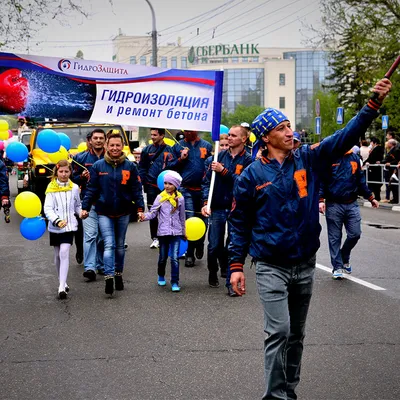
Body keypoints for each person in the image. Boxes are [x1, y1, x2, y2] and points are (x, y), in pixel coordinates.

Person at [228, 78, 391, 400]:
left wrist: (372, 104)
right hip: (270, 266)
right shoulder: (250, 175)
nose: (291, 132)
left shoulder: (309, 158)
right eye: (282, 128)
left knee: (297, 334)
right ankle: (275, 396)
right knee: (279, 331)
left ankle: (289, 391)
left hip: (304, 264)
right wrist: (235, 265)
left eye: (290, 126)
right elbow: (240, 222)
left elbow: (345, 136)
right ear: (266, 137)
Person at [81, 132, 144, 296]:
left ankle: (118, 274)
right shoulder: (98, 166)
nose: (115, 148)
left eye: (118, 145)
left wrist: (140, 208)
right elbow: (91, 189)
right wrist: (85, 207)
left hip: (123, 212)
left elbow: (136, 189)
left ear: (122, 146)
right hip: (104, 212)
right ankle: (109, 277)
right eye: (112, 145)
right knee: (108, 244)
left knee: (120, 246)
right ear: (107, 146)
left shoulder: (130, 166)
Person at [201, 125, 252, 295]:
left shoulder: (249, 161)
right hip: (217, 207)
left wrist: (224, 172)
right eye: (228, 135)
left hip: (237, 209)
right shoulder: (218, 157)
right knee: (214, 245)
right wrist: (205, 202)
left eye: (233, 135)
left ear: (243, 139)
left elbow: (243, 183)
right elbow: (207, 182)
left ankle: (231, 284)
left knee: (233, 245)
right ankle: (212, 271)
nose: (229, 138)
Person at [319, 147, 379, 279]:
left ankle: (344, 256)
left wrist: (371, 197)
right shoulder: (330, 158)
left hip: (351, 203)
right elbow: (322, 181)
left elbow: (360, 181)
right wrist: (321, 199)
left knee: (355, 234)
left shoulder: (354, 158)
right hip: (334, 203)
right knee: (334, 238)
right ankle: (337, 266)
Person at [169, 130, 212, 268]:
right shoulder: (178, 146)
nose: (188, 132)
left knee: (204, 221)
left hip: (203, 189)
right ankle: (189, 253)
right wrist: (181, 158)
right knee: (189, 220)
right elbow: (169, 167)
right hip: (186, 189)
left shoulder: (206, 145)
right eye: (186, 130)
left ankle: (199, 243)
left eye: (191, 130)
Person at [140, 171, 186, 292]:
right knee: (163, 257)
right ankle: (161, 275)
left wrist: (183, 231)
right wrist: (144, 216)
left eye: (170, 183)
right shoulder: (160, 197)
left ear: (175, 185)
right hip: (163, 233)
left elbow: (182, 216)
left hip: (176, 232)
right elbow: (153, 213)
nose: (167, 186)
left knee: (175, 258)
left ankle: (175, 281)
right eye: (165, 183)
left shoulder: (180, 198)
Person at [43, 160, 82, 299]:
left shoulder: (74, 187)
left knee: (64, 252)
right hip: (55, 227)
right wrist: (57, 220)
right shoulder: (51, 188)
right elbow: (47, 208)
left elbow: (77, 205)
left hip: (69, 226)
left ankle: (61, 286)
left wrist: (81, 212)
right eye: (61, 172)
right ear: (56, 172)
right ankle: (62, 281)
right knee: (57, 255)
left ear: (70, 172)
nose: (64, 174)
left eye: (67, 171)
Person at [72, 128, 106, 281]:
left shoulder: (110, 157)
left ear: (105, 140)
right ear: (90, 140)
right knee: (90, 235)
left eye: (101, 138)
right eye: (95, 138)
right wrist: (82, 177)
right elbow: (73, 179)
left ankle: (100, 265)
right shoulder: (80, 157)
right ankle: (90, 267)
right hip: (89, 202)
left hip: (107, 203)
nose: (98, 140)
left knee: (102, 237)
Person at [138, 128, 174, 249]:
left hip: (167, 187)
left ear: (162, 135)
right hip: (151, 185)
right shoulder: (147, 150)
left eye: (155, 135)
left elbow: (174, 166)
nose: (152, 137)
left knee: (168, 211)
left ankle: (167, 236)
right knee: (153, 211)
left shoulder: (170, 149)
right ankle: (155, 238)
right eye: (151, 134)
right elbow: (142, 167)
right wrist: (143, 182)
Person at [381, 139, 400, 203]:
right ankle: (395, 198)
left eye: (388, 143)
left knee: (394, 185)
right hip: (390, 169)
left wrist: (390, 163)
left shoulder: (396, 150)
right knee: (392, 185)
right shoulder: (391, 150)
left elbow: (397, 160)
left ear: (391, 144)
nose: (387, 144)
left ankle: (396, 199)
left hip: (394, 169)